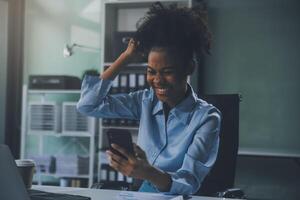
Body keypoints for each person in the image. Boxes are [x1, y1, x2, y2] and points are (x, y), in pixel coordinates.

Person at [77, 2, 221, 195]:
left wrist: (148, 172)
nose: (158, 80)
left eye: (168, 72)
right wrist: (125, 58)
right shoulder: (144, 101)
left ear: (189, 68)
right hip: (141, 194)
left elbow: (189, 183)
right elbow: (88, 105)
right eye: (151, 72)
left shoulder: (207, 118)